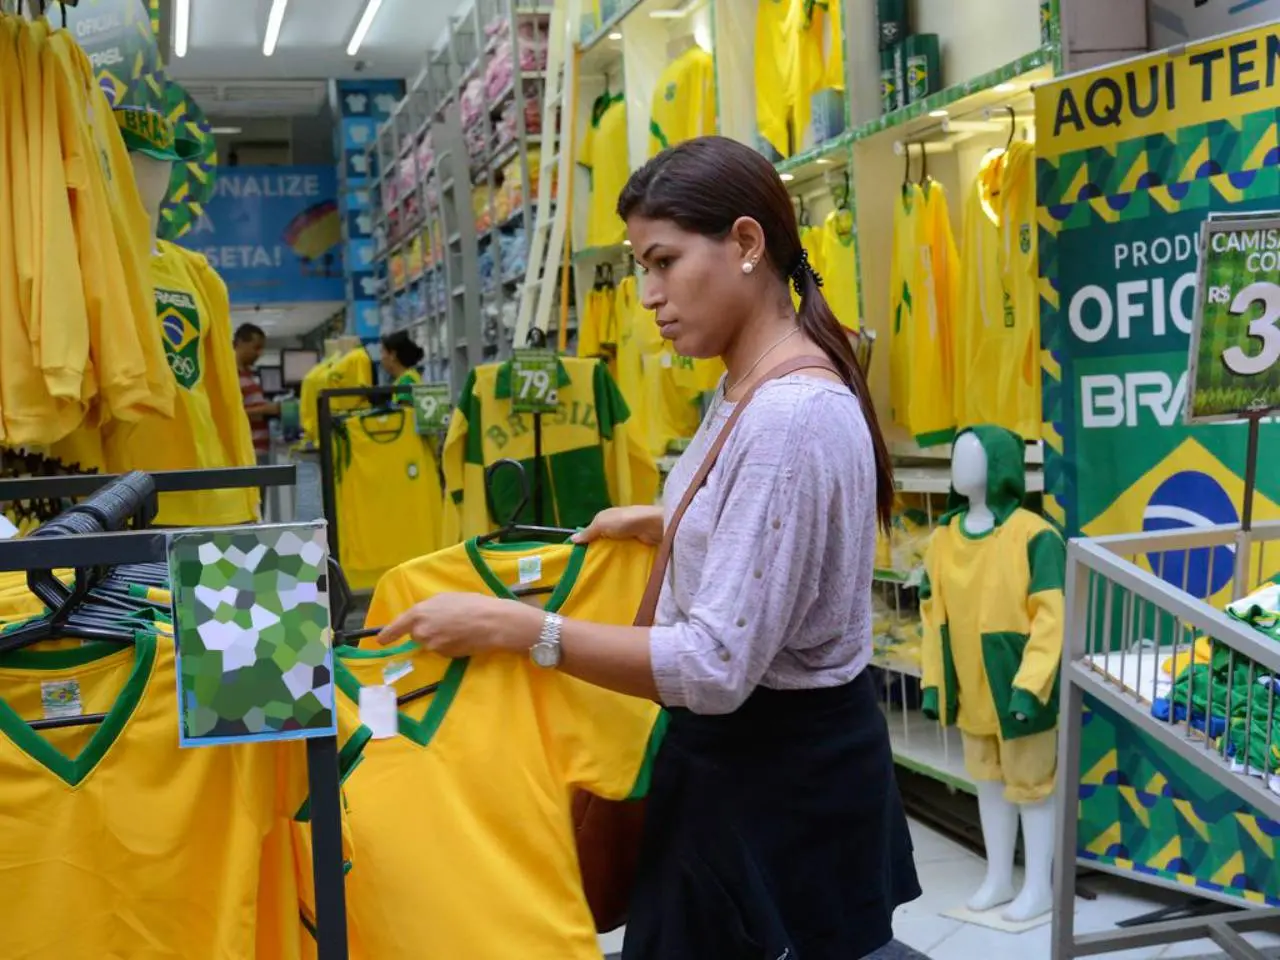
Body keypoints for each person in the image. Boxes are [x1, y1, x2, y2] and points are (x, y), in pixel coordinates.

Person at [376, 136, 920, 957]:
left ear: (746, 243)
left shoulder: (788, 415)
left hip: (776, 791)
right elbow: (779, 533)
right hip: (754, 776)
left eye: (664, 262)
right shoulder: (749, 383)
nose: (649, 295)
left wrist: (521, 631)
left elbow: (715, 665)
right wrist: (672, 522)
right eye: (641, 268)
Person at [233, 323, 279, 465]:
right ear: (240, 343)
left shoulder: (248, 375)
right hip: (246, 454)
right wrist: (265, 409)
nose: (260, 353)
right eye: (256, 347)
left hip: (259, 451)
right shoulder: (229, 376)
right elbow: (228, 415)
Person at [380, 330, 424, 404]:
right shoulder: (405, 378)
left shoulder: (406, 381)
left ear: (393, 355)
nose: (381, 358)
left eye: (382, 352)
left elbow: (405, 410)